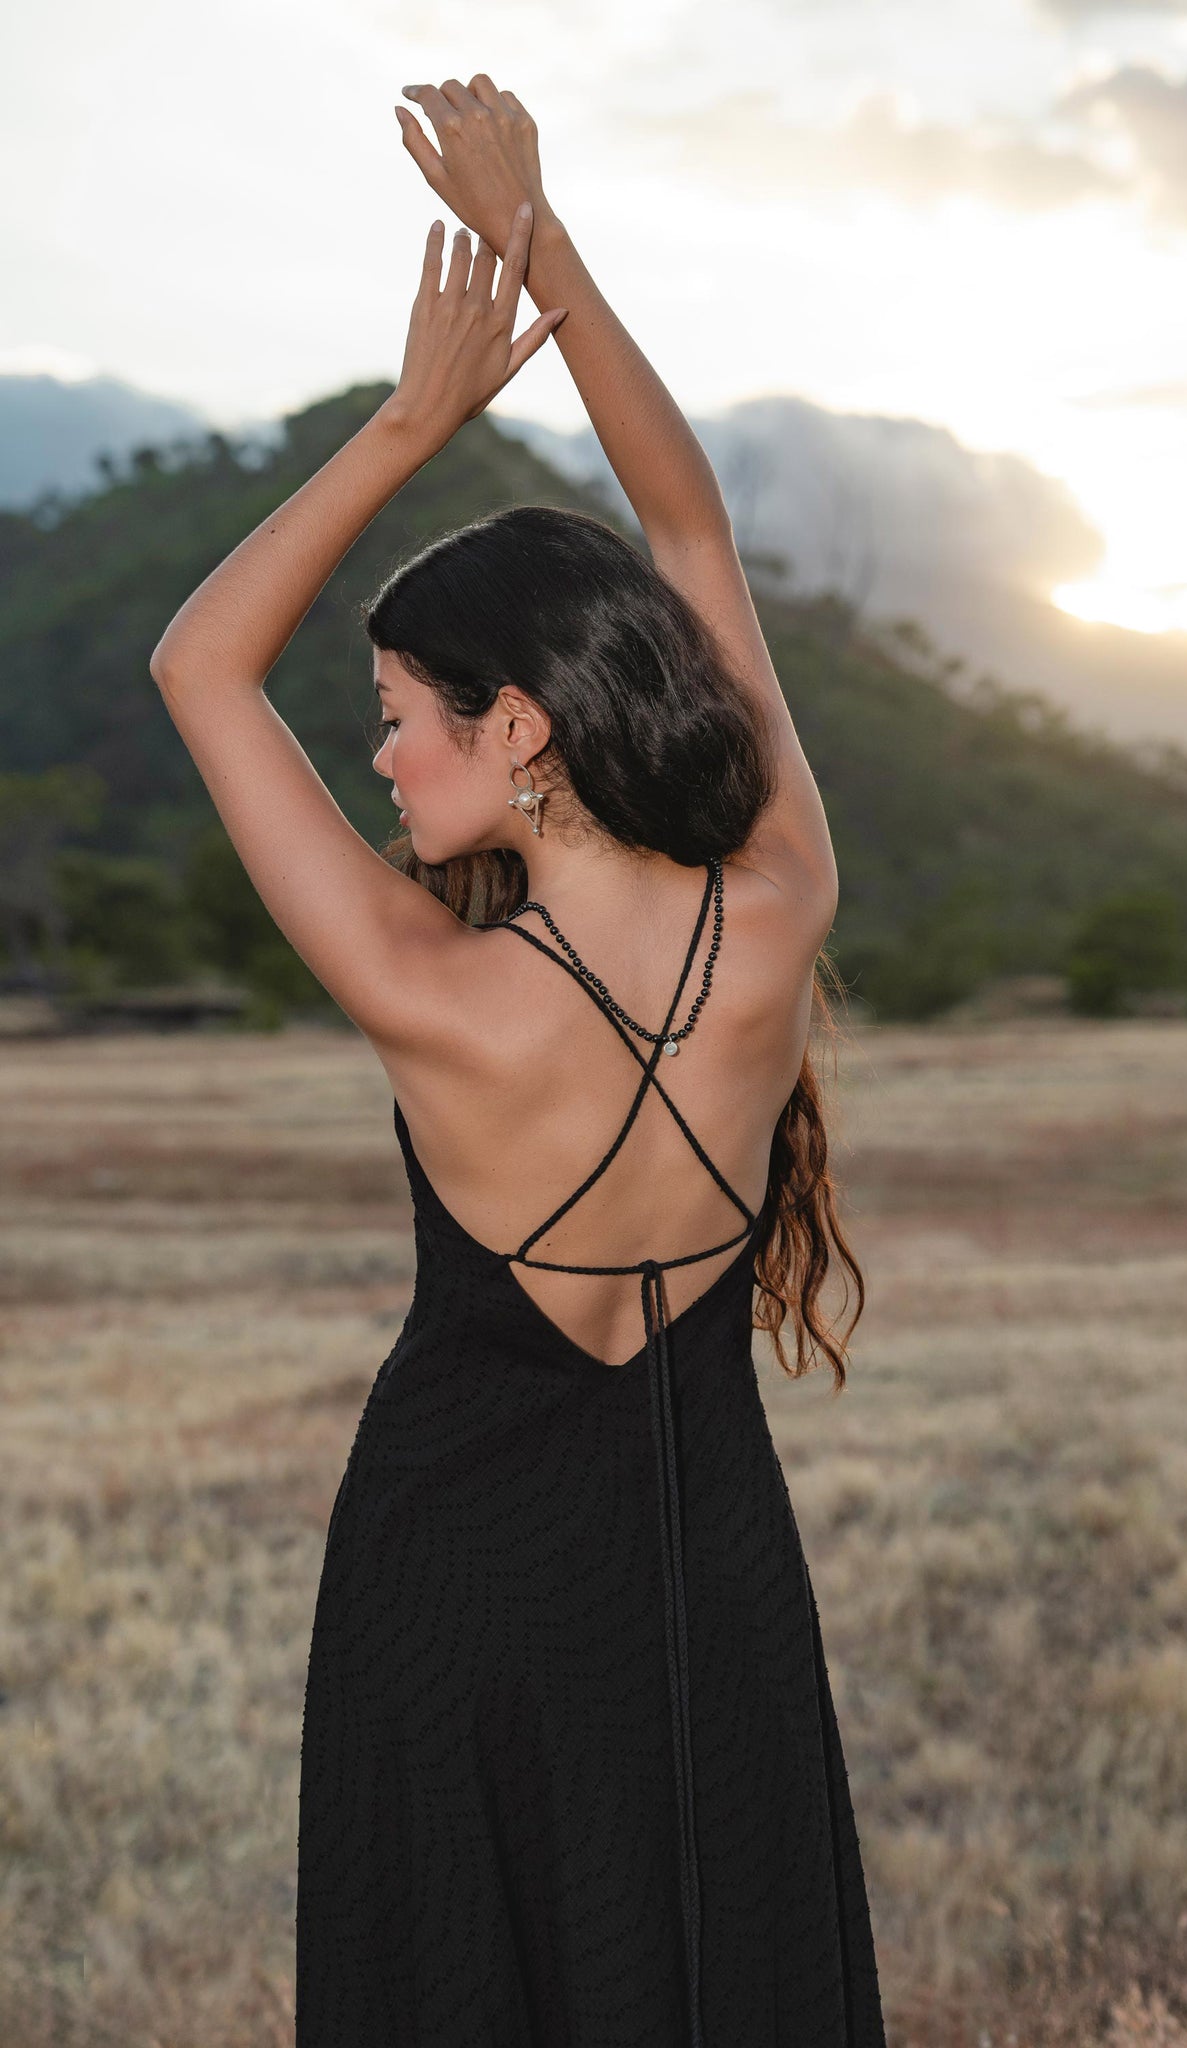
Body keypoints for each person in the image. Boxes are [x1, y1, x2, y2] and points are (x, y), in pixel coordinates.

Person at [149, 71, 886, 2048]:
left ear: (525, 729)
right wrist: (538, 235)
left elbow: (195, 664)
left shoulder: (424, 983)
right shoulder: (782, 903)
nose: (378, 754)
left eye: (399, 714)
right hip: (701, 1559)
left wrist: (414, 416)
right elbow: (683, 521)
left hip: (452, 1562)